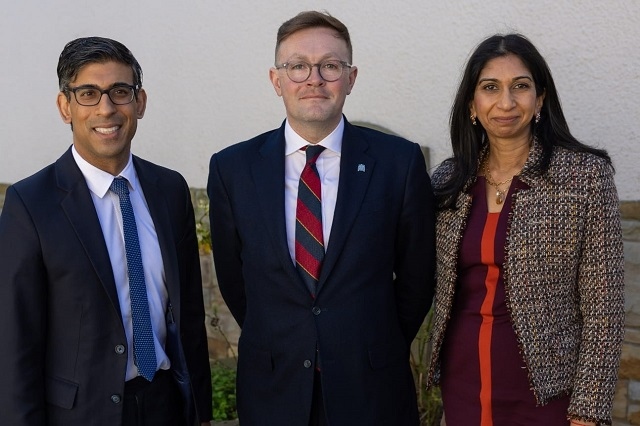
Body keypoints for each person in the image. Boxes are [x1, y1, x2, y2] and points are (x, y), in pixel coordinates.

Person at [207, 10, 436, 426]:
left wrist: (372, 343)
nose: (314, 78)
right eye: (298, 66)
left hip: (371, 389)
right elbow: (236, 282)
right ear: (277, 80)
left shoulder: (398, 163)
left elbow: (418, 278)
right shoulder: (232, 169)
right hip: (273, 391)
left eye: (330, 65)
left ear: (351, 77)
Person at [0, 37, 212, 426]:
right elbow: (15, 342)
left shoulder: (170, 190)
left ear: (140, 102)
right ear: (65, 106)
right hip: (82, 414)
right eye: (88, 93)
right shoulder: (30, 204)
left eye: (120, 91)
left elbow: (189, 315)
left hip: (166, 405)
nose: (106, 108)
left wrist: (200, 409)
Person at [426, 33, 624, 426]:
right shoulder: (448, 181)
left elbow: (604, 309)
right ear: (471, 105)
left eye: (520, 86)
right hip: (463, 380)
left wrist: (589, 409)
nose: (506, 102)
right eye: (490, 88)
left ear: (540, 100)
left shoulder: (584, 177)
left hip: (546, 392)